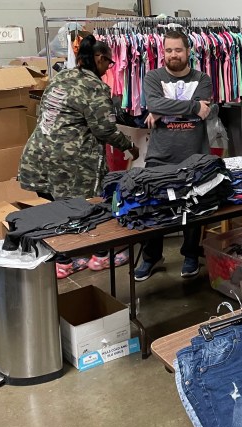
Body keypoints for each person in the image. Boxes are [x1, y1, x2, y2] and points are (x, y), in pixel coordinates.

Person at [19, 34, 139, 278]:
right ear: (98, 58)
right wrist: (129, 146)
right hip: (71, 160)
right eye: (108, 63)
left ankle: (65, 260)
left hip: (39, 154)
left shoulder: (62, 76)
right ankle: (99, 256)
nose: (108, 69)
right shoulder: (94, 86)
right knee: (90, 207)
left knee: (57, 208)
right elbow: (104, 129)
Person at [134, 30, 213, 282]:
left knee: (193, 208)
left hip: (195, 154)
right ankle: (151, 256)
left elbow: (206, 111)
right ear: (163, 52)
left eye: (178, 50)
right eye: (168, 50)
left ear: (188, 51)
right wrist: (190, 107)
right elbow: (156, 104)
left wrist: (163, 109)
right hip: (160, 154)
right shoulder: (153, 77)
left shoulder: (203, 79)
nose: (173, 55)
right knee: (154, 206)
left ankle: (190, 254)